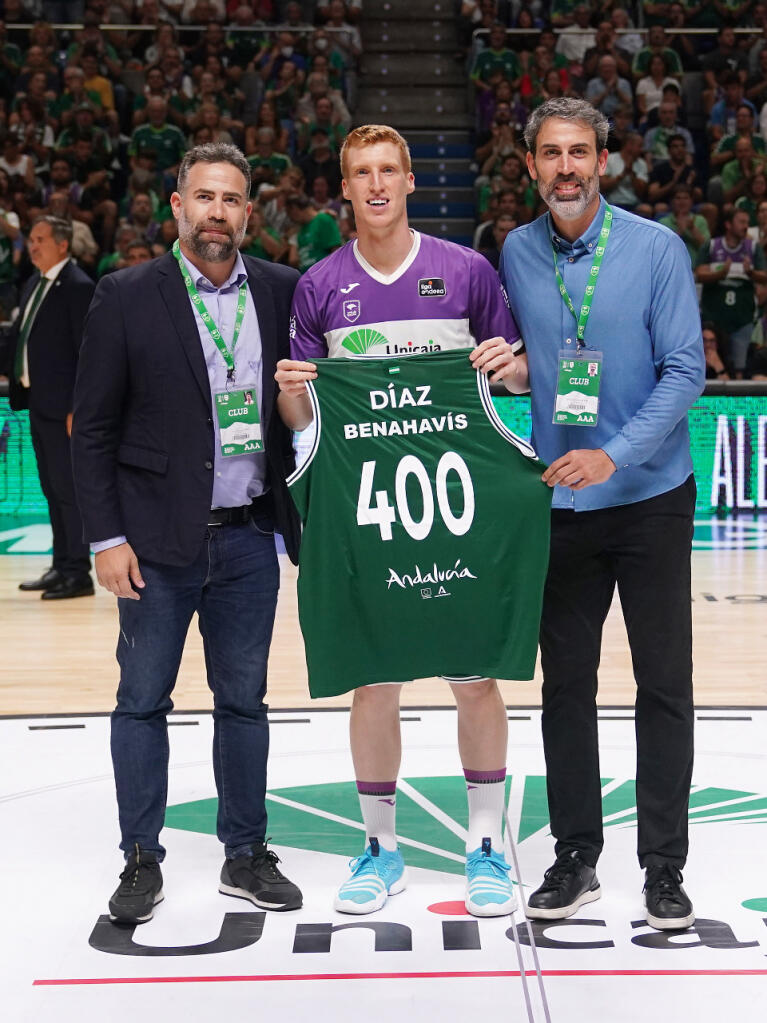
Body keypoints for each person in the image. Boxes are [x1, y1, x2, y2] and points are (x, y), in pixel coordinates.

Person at [274, 123, 530, 919]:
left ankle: (484, 840)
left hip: (459, 505)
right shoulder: (318, 287)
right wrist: (292, 388)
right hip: (367, 508)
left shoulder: (466, 272)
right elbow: (302, 418)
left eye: (388, 169)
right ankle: (380, 846)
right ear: (343, 188)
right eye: (361, 172)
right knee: (372, 677)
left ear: (410, 179)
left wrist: (510, 363)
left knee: (474, 673)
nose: (376, 184)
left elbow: (519, 378)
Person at [70, 143, 303, 925]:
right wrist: (105, 537)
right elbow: (92, 429)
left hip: (247, 539)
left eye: (231, 199)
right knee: (142, 701)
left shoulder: (279, 290)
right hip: (154, 544)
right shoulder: (127, 293)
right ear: (176, 206)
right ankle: (142, 856)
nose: (216, 212)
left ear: (248, 212)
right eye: (202, 197)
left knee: (244, 701)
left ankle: (245, 851)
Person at [499, 98, 705, 930]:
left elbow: (684, 371)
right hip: (562, 504)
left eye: (578, 152)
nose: (565, 168)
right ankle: (575, 854)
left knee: (662, 684)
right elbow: (535, 367)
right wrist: (507, 369)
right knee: (566, 690)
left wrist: (612, 454)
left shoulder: (655, 249)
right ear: (529, 167)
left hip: (649, 499)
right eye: (550, 154)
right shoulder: (513, 251)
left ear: (602, 160)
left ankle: (663, 866)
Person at [7, 216, 95, 599]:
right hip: (39, 402)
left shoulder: (77, 286)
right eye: (30, 238)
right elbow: (20, 340)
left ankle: (78, 572)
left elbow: (89, 353)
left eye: (40, 239)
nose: (32, 245)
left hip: (64, 410)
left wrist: (80, 407)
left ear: (63, 245)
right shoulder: (34, 282)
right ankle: (61, 564)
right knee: (51, 489)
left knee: (68, 491)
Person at [695, 207, 767, 378]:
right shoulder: (712, 246)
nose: (746, 227)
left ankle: (737, 404)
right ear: (728, 224)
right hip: (714, 320)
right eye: (742, 222)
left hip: (742, 319)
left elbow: (764, 276)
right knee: (708, 365)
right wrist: (721, 273)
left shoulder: (753, 248)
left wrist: (751, 273)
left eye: (748, 223)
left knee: (740, 369)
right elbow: (699, 274)